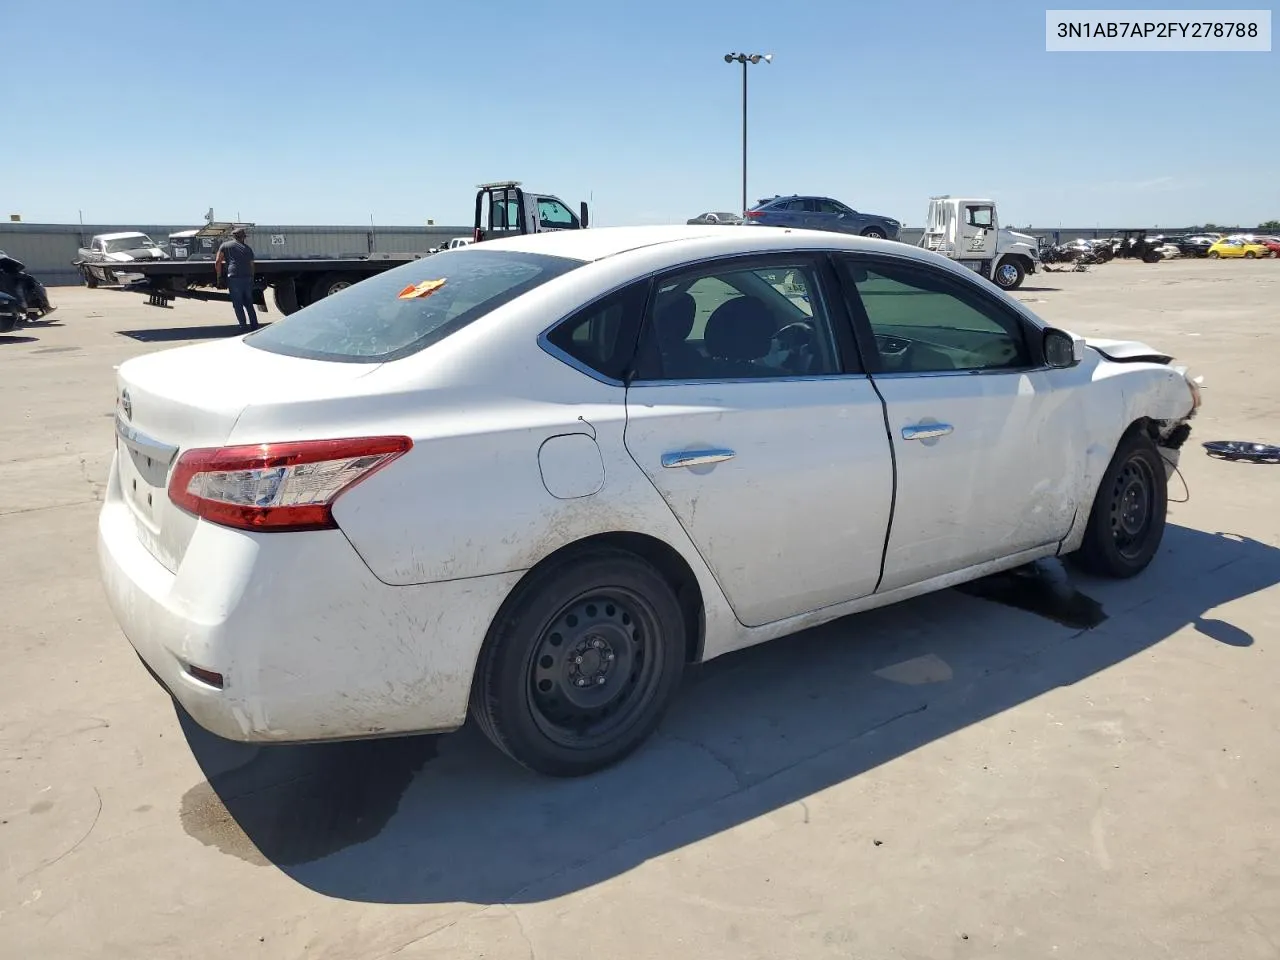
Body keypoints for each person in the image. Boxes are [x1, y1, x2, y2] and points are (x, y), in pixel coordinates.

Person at [214, 227, 258, 329]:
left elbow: (217, 262)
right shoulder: (248, 249)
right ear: (243, 238)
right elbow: (252, 265)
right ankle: (254, 325)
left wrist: (219, 277)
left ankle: (243, 326)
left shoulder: (225, 246)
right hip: (247, 277)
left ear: (233, 237)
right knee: (248, 303)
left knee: (237, 303)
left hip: (234, 277)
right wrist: (251, 277)